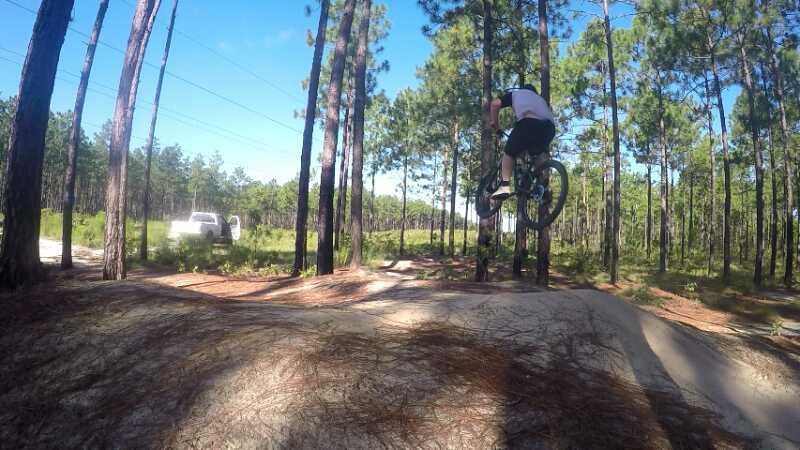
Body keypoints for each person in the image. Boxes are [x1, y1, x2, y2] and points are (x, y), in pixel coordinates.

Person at [488, 84, 556, 200]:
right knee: (535, 153)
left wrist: (495, 125)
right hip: (549, 129)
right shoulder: (540, 99)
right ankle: (540, 185)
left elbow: (495, 104)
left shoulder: (516, 94)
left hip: (528, 123)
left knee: (509, 152)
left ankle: (504, 187)